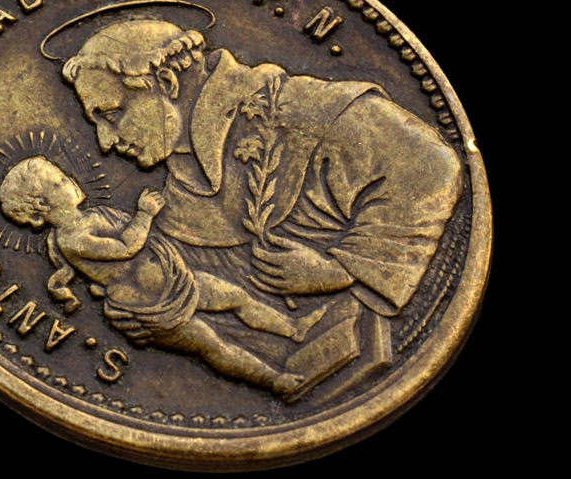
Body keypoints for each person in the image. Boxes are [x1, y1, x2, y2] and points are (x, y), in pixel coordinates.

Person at [59, 19, 464, 394]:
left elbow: (432, 166)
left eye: (112, 114)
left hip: (367, 359)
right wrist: (146, 310)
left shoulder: (301, 109)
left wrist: (341, 269)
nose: (105, 142)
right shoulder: (178, 187)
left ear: (166, 82)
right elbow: (200, 286)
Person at [0, 155, 326, 401]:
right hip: (150, 308)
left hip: (175, 280)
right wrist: (145, 214)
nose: (69, 180)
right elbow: (125, 247)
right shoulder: (73, 239)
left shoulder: (93, 216)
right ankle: (276, 382)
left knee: (236, 297)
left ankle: (294, 328)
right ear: (41, 205)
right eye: (58, 183)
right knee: (211, 344)